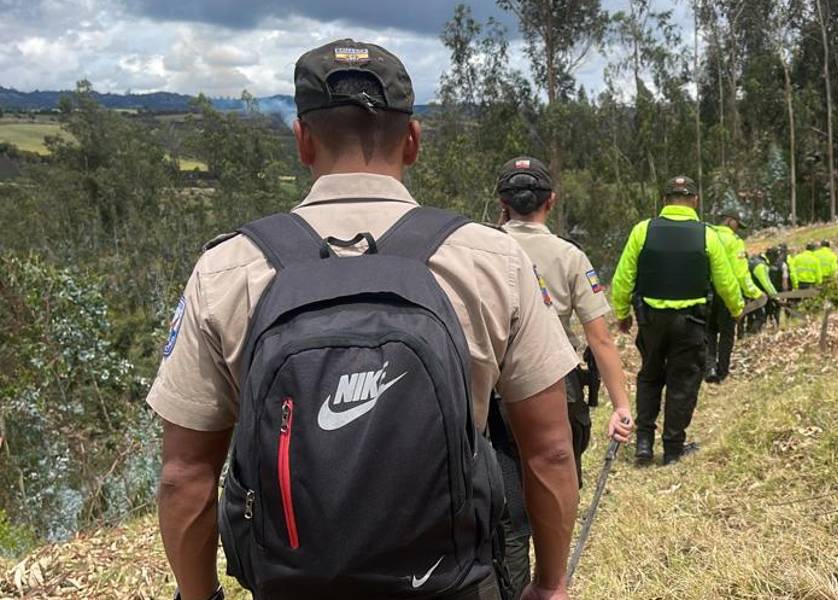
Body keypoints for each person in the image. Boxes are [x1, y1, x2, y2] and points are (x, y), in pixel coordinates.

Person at [149, 40, 579, 600]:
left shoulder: (228, 267)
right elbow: (549, 450)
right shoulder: (490, 258)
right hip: (452, 584)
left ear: (303, 141)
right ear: (413, 140)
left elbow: (184, 475)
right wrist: (549, 583)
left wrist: (198, 595)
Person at [494, 156, 635, 595]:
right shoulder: (570, 256)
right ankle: (551, 581)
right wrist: (622, 406)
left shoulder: (477, 247)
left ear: (502, 204)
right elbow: (601, 340)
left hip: (490, 388)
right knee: (553, 480)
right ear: (550, 201)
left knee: (505, 507)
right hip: (557, 386)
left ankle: (512, 584)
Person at [610, 176, 744, 466]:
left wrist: (622, 314)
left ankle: (644, 443)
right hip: (691, 323)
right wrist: (736, 308)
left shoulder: (642, 230)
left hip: (651, 321)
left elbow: (622, 279)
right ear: (695, 201)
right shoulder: (707, 234)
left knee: (650, 376)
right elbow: (725, 281)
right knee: (682, 381)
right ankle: (672, 448)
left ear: (664, 201)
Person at [706, 209, 762, 384]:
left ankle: (709, 368)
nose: (738, 229)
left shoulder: (707, 235)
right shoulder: (735, 241)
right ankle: (722, 371)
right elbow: (740, 274)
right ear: (730, 221)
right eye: (737, 224)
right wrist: (755, 293)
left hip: (706, 291)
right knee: (727, 333)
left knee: (708, 332)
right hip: (728, 293)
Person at [747, 252, 780, 333]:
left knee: (750, 316)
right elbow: (767, 284)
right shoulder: (760, 266)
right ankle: (752, 335)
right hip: (757, 294)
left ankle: (744, 334)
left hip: (748, 293)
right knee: (760, 316)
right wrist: (777, 297)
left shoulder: (752, 261)